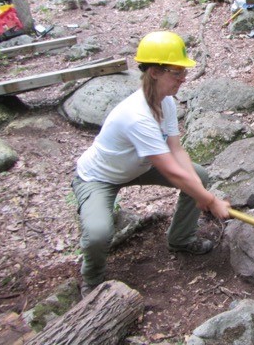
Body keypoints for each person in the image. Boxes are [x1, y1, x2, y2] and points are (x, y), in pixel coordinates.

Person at [72, 31, 231, 295]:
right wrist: (210, 201)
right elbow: (170, 168)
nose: (182, 79)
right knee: (99, 232)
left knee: (198, 176)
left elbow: (177, 151)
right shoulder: (136, 115)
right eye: (175, 73)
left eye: (183, 72)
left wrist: (202, 193)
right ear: (154, 72)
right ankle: (92, 280)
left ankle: (180, 239)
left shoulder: (165, 102)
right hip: (100, 177)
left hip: (140, 166)